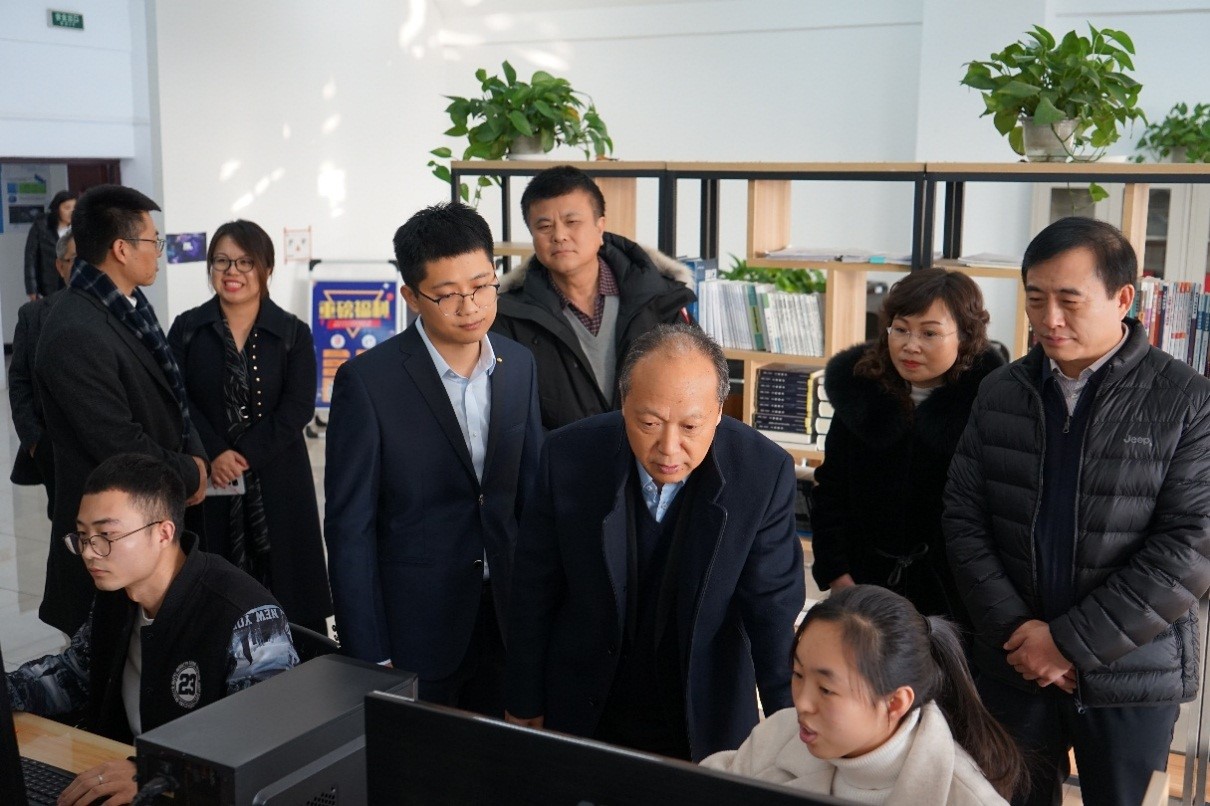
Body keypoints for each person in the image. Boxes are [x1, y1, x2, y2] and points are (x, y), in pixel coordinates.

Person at [944, 216, 1210, 806]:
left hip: (1129, 673)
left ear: (1123, 298)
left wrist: (1067, 644)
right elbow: (964, 517)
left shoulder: (1187, 400)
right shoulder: (1000, 391)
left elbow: (1190, 548)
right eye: (1036, 298)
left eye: (1069, 299)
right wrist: (1020, 635)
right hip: (1013, 664)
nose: (1050, 318)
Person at [504, 323, 805, 761]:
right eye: (649, 423)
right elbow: (534, 590)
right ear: (623, 402)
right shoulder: (568, 455)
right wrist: (524, 699)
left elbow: (772, 613)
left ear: (719, 412)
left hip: (702, 712)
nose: (669, 448)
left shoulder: (762, 473)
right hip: (585, 701)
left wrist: (793, 736)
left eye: (690, 426)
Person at [325, 202, 542, 715]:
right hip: (415, 627)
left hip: (504, 616)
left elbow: (531, 500)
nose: (470, 306)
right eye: (447, 295)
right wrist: (368, 653)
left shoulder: (519, 365)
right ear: (412, 297)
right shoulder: (368, 383)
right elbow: (350, 529)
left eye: (482, 286)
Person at [6, 453, 297, 806]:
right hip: (117, 774)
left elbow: (266, 742)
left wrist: (155, 773)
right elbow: (73, 675)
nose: (90, 552)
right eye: (83, 535)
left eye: (106, 535)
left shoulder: (247, 615)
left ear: (163, 532)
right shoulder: (118, 593)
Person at [34, 184, 209, 637]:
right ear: (121, 249)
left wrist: (195, 456)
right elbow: (117, 442)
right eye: (153, 241)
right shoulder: (75, 329)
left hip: (149, 519)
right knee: (108, 663)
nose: (158, 252)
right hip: (111, 538)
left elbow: (173, 396)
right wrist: (188, 473)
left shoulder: (128, 307)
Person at [701, 585, 1022, 805]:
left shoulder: (965, 798)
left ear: (895, 702)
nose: (801, 704)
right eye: (798, 674)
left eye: (826, 689)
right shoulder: (777, 735)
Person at [810, 268, 1004, 625]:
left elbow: (997, 515)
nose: (910, 345)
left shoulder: (991, 406)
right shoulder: (861, 392)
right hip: (862, 586)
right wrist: (837, 573)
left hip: (953, 595)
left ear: (965, 336)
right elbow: (831, 489)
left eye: (929, 333)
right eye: (900, 329)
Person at [168, 220, 332, 634]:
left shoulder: (292, 332)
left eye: (245, 262)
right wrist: (214, 453)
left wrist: (242, 456)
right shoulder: (187, 329)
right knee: (212, 584)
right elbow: (175, 398)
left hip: (279, 479)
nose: (232, 272)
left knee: (288, 582)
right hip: (209, 478)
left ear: (266, 269)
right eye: (222, 261)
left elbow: (298, 407)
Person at [491, 164, 696, 431]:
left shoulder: (661, 299)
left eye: (572, 222)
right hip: (560, 456)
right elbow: (513, 416)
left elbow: (695, 388)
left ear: (600, 227)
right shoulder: (510, 316)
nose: (559, 236)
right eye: (544, 226)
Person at [9, 229, 76, 515]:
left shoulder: (120, 313)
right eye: (74, 260)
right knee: (65, 524)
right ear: (60, 266)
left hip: (110, 448)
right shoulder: (33, 315)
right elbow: (19, 381)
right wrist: (35, 441)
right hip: (54, 448)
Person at [23, 189, 77, 300]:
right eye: (67, 208)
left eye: (74, 208)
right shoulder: (41, 226)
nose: (71, 212)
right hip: (49, 283)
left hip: (73, 282)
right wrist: (31, 289)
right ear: (57, 209)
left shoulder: (78, 228)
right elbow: (30, 257)